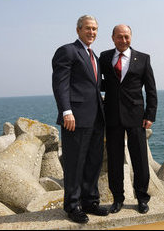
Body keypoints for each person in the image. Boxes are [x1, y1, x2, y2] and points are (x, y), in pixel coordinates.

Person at [52, 15, 108, 224]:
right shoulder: (67, 51)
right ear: (78, 30)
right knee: (75, 163)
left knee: (93, 162)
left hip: (96, 117)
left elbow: (95, 84)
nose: (91, 32)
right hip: (74, 118)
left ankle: (90, 201)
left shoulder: (94, 56)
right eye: (87, 28)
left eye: (94, 29)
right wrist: (66, 111)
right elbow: (60, 83)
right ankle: (73, 206)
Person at [99, 24, 158, 214]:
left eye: (126, 37)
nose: (123, 40)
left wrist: (150, 115)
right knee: (115, 161)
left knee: (140, 159)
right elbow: (99, 83)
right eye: (119, 37)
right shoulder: (105, 57)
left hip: (136, 117)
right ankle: (117, 199)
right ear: (113, 38)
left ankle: (142, 198)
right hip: (112, 117)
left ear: (131, 37)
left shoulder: (143, 58)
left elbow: (150, 89)